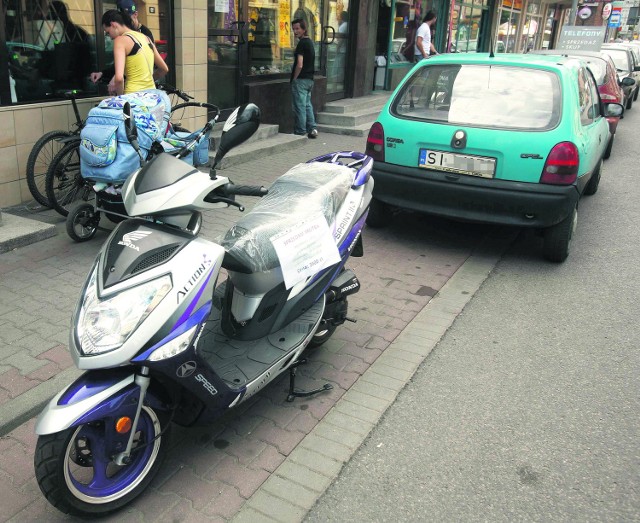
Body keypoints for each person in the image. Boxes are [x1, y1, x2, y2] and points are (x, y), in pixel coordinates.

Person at [98, 9, 168, 95]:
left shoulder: (120, 41)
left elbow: (119, 79)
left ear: (113, 25)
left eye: (108, 32)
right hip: (150, 96)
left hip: (133, 96)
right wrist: (147, 81)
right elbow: (164, 69)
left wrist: (121, 99)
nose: (110, 37)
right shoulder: (146, 38)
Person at [90, 0, 155, 87]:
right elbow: (122, 62)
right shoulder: (129, 36)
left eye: (127, 18)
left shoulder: (144, 35)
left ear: (135, 14)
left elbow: (144, 62)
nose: (125, 22)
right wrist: (103, 73)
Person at [290, 18, 318, 138]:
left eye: (297, 29)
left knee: (300, 106)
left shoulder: (302, 43)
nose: (295, 31)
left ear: (304, 29)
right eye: (294, 29)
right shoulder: (310, 42)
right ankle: (312, 129)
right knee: (307, 105)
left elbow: (299, 64)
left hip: (301, 80)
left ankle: (300, 131)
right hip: (309, 79)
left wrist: (295, 78)